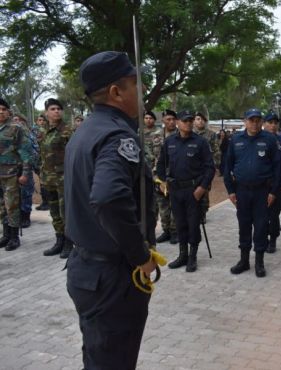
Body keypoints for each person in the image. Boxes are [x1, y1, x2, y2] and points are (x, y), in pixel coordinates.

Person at [65, 51, 158, 369]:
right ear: (117, 92)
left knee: (98, 356)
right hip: (112, 278)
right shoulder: (117, 136)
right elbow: (107, 198)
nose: (141, 92)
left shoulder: (85, 131)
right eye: (135, 84)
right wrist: (141, 255)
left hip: (86, 269)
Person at [223, 108, 280, 277]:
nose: (254, 123)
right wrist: (230, 191)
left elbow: (278, 168)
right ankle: (244, 261)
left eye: (257, 120)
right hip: (241, 191)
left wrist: (274, 192)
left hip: (263, 191)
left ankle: (259, 262)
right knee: (244, 225)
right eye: (251, 120)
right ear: (245, 121)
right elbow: (227, 167)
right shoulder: (235, 140)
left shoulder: (269, 140)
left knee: (262, 226)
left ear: (261, 122)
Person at [157, 110, 215, 272]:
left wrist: (202, 188)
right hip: (175, 191)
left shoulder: (201, 142)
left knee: (193, 224)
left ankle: (192, 257)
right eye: (185, 120)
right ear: (177, 122)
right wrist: (163, 181)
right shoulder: (169, 142)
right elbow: (161, 163)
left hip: (193, 191)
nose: (188, 123)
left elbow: (209, 168)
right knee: (180, 223)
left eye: (190, 120)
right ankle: (182, 255)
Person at [40, 98, 75, 258]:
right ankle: (59, 241)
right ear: (46, 112)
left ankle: (69, 243)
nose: (56, 111)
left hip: (63, 178)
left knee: (65, 211)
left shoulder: (68, 130)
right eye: (52, 109)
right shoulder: (45, 131)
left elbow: (75, 154)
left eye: (58, 109)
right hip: (49, 179)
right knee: (54, 212)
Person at [0, 99, 32, 251]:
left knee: (11, 206)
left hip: (11, 174)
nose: (1, 111)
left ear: (8, 111)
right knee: (1, 207)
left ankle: (14, 237)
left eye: (3, 109)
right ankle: (5, 235)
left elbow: (25, 151)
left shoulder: (16, 128)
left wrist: (25, 173)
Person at [262, 112, 281, 254]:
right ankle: (262, 238)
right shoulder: (259, 138)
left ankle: (273, 240)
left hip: (276, 183)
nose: (273, 125)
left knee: (274, 215)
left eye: (275, 123)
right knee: (260, 215)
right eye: (270, 122)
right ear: (265, 123)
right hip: (261, 183)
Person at [12, 114, 39, 228]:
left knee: (26, 193)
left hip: (25, 167)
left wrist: (29, 164)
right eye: (14, 120)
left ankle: (25, 216)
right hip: (11, 169)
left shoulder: (29, 135)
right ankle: (16, 217)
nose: (15, 122)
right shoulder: (9, 134)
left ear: (23, 121)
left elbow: (35, 151)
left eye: (17, 120)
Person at [155, 109, 178, 244]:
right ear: (163, 120)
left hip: (175, 176)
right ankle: (166, 231)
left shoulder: (180, 135)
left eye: (172, 119)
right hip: (158, 176)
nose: (170, 122)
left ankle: (175, 231)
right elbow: (149, 155)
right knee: (163, 206)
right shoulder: (156, 136)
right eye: (168, 119)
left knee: (174, 205)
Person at [193, 112, 220, 224]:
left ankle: (202, 213)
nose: (200, 121)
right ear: (194, 120)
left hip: (205, 169)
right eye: (198, 119)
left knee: (204, 192)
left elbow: (217, 151)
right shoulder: (190, 133)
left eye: (203, 119)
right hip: (192, 169)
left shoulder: (211, 134)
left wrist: (213, 165)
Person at [34, 114, 50, 211]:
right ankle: (44, 202)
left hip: (45, 162)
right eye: (39, 120)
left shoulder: (45, 131)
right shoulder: (35, 131)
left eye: (42, 120)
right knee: (41, 182)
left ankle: (46, 203)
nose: (41, 122)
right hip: (38, 161)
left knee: (45, 183)